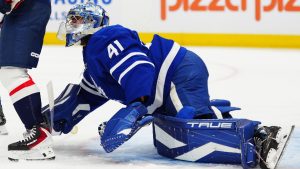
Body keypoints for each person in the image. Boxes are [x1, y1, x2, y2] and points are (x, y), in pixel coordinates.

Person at [43, 2, 292, 169]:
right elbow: (89, 92)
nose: (72, 24)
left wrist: (136, 104)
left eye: (77, 19)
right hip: (170, 78)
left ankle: (263, 139)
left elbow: (137, 65)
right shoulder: (95, 56)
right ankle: (213, 114)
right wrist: (56, 117)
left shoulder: (105, 37)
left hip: (176, 72)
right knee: (170, 136)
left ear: (92, 22)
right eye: (71, 19)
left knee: (188, 132)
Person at [0, 0, 55, 160]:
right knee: (7, 72)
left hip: (28, 6)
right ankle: (35, 130)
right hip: (21, 8)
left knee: (13, 72)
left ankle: (39, 136)